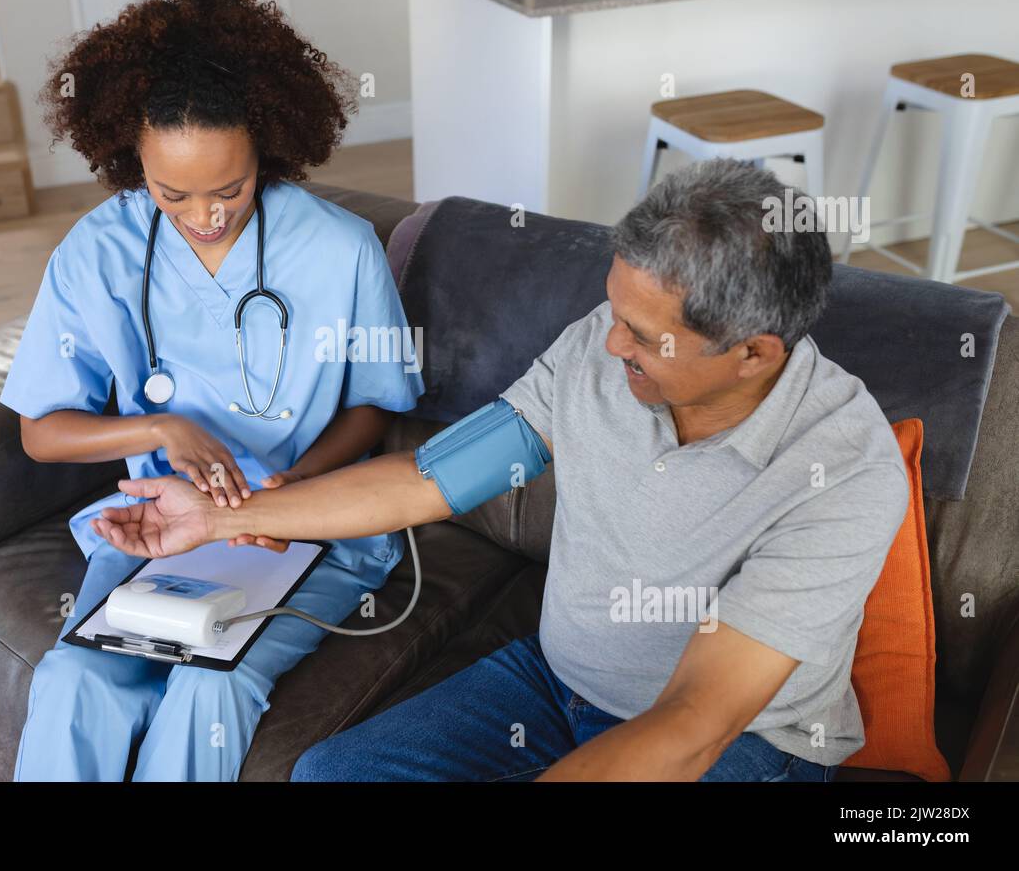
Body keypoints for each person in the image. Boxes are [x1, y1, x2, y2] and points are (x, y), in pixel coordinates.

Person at [92, 159, 911, 782]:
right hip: (555, 683)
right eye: (615, 312)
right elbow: (431, 477)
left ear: (753, 353)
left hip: (745, 744)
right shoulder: (602, 346)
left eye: (643, 335)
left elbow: (698, 720)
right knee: (330, 773)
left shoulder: (842, 472)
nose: (610, 342)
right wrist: (220, 520)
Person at [0, 0, 423, 781]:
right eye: (172, 194)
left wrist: (289, 491)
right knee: (75, 677)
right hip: (166, 527)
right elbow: (42, 432)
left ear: (268, 142)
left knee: (207, 687)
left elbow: (374, 405)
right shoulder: (97, 252)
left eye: (229, 188)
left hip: (308, 528)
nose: (205, 216)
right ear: (130, 159)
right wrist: (162, 428)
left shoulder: (340, 249)